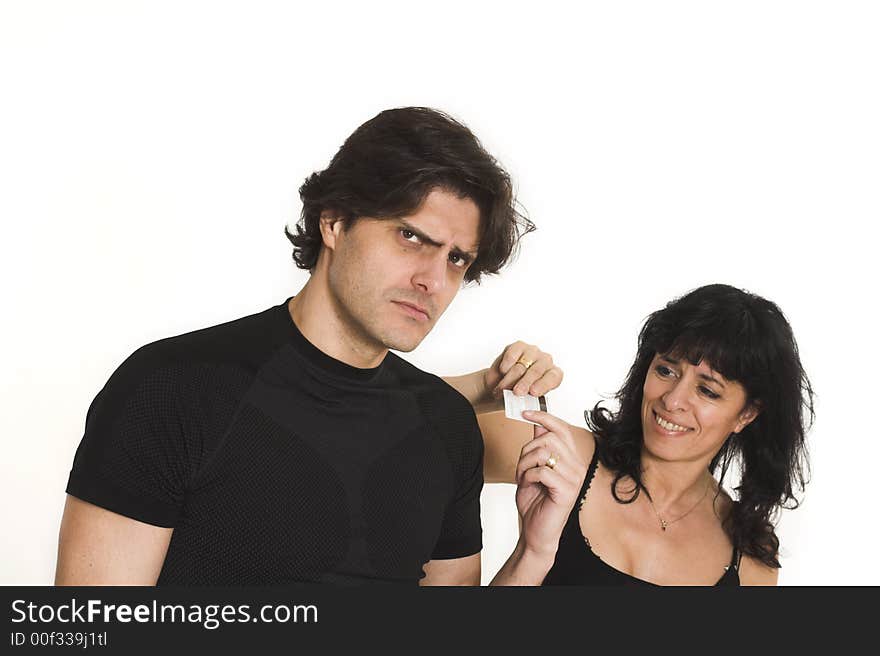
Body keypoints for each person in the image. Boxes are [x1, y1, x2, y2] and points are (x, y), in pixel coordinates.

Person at [54, 106, 556, 585]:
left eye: (456, 259)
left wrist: (531, 555)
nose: (433, 279)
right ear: (335, 222)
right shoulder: (172, 388)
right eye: (410, 236)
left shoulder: (446, 427)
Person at [483, 284, 813, 585]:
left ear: (746, 414)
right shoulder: (560, 453)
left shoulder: (751, 553)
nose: (672, 400)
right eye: (666, 370)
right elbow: (434, 427)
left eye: (707, 390)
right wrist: (530, 553)